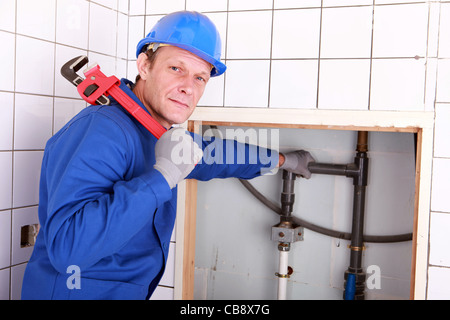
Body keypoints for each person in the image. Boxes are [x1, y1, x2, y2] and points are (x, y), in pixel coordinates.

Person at [21, 11, 314, 300]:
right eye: (176, 69)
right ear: (144, 65)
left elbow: (216, 154)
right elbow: (68, 250)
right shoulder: (102, 129)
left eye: (200, 77)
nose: (188, 86)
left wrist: (283, 160)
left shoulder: (152, 131)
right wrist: (162, 177)